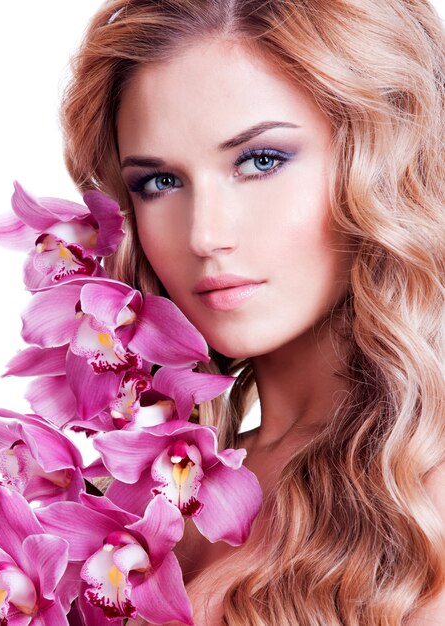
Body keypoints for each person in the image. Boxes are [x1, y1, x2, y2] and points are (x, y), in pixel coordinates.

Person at [59, 0, 444, 624]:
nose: (205, 236)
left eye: (261, 160)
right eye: (158, 182)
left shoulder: (426, 499)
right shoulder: (130, 497)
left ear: (386, 165)